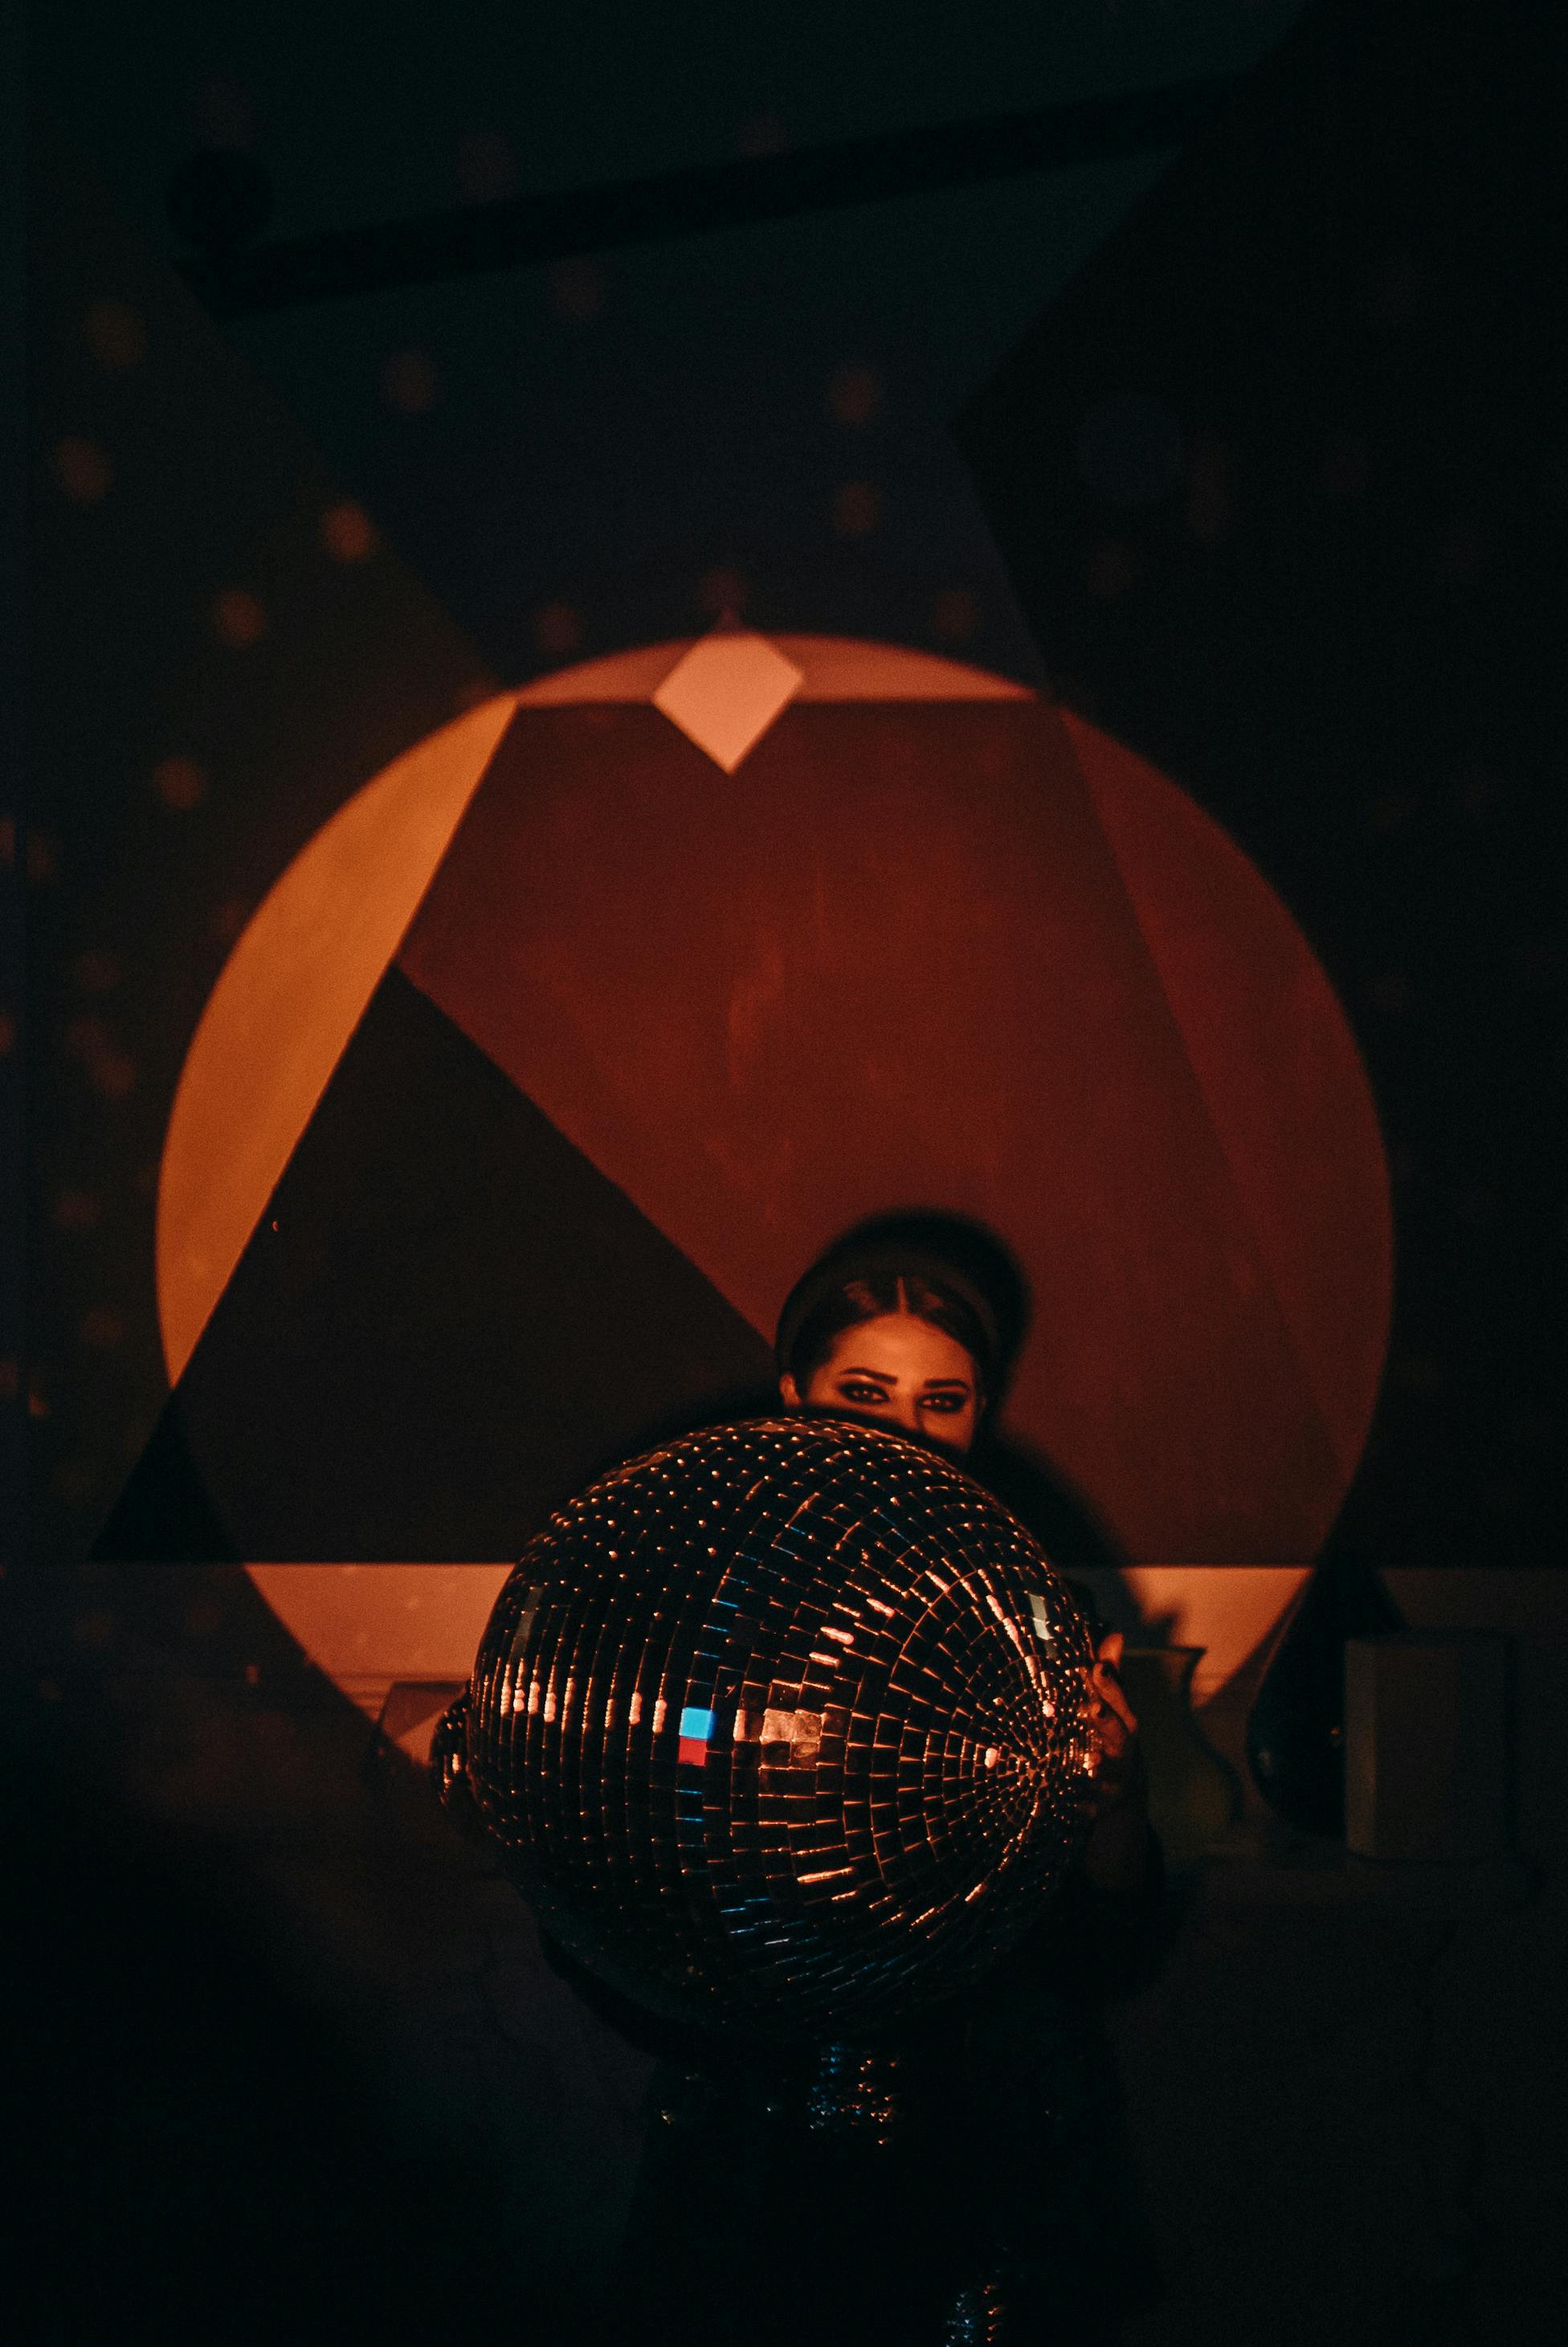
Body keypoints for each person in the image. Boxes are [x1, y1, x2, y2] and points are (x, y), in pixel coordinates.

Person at [599, 1231, 1169, 2347]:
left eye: (940, 1400)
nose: (903, 1434)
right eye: (864, 1394)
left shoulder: (1032, 1615)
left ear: (978, 1416)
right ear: (794, 1395)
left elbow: (1105, 1953)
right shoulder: (707, 1614)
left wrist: (1113, 1812)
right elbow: (632, 1946)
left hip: (992, 2176)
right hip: (757, 2180)